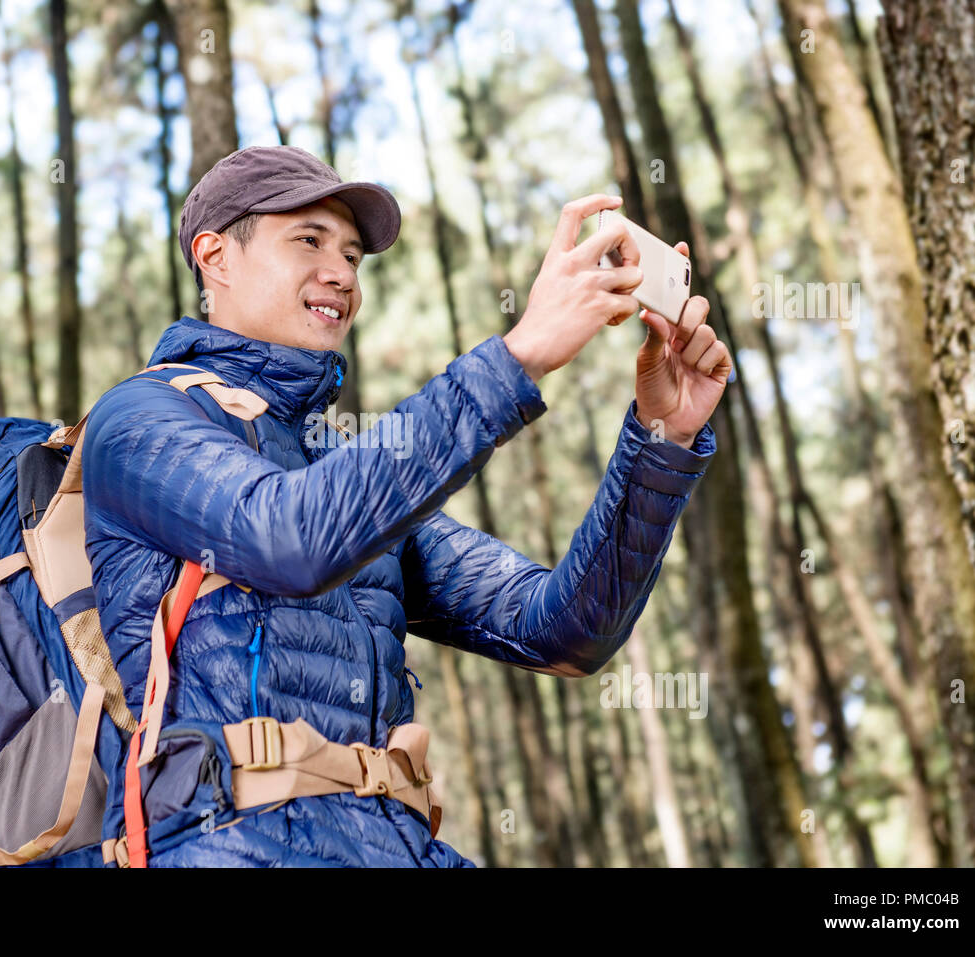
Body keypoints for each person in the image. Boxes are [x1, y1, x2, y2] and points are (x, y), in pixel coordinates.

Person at [80, 145, 731, 867]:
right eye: (309, 240)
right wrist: (520, 357)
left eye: (354, 255)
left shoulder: (334, 466)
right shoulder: (139, 422)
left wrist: (662, 438)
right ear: (215, 257)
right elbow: (290, 538)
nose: (341, 274)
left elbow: (565, 629)